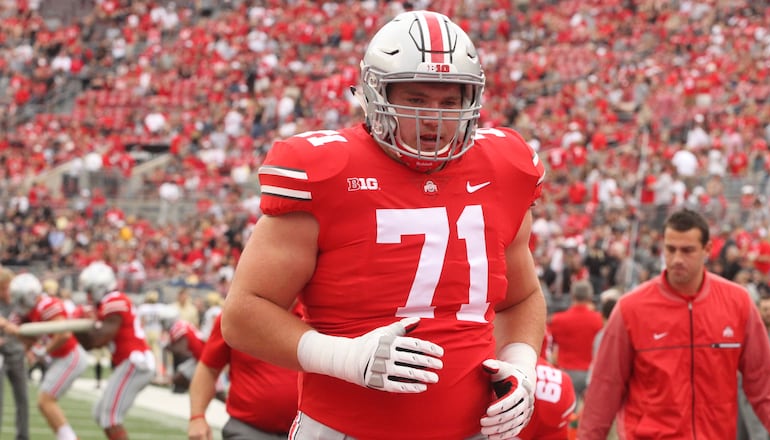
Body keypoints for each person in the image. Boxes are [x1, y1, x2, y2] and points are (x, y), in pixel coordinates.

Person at [221, 10, 547, 440]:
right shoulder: (327, 170)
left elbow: (521, 298)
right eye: (416, 99)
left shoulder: (503, 167)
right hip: (344, 429)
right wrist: (345, 357)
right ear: (376, 93)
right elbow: (243, 315)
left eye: (451, 102)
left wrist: (522, 364)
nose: (435, 118)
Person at [579, 209, 770, 439]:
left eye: (687, 250)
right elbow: (604, 390)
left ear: (707, 250)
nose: (677, 259)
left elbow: (765, 383)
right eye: (670, 249)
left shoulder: (738, 303)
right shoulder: (631, 309)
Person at [0, 273, 89, 440]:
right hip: (58, 358)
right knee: (44, 402)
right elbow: (24, 336)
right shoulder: (29, 310)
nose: (16, 303)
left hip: (70, 356)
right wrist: (19, 335)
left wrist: (43, 350)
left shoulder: (46, 305)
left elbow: (64, 334)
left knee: (45, 400)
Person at [73, 261, 156, 440]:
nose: (87, 296)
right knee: (99, 413)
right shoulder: (109, 302)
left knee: (110, 418)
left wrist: (79, 324)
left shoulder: (114, 300)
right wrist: (78, 327)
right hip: (129, 362)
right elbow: (90, 344)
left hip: (135, 361)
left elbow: (98, 340)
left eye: (89, 290)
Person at [189, 312, 299, 440]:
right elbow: (209, 368)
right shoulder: (236, 314)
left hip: (307, 431)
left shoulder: (314, 313)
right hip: (249, 429)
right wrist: (197, 417)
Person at [738, 294, 770, 440]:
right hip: (749, 398)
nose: (769, 313)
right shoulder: (745, 337)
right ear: (758, 310)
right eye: (765, 309)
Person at [547, 279, 602, 401]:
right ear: (590, 296)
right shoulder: (599, 320)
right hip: (591, 373)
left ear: (572, 295)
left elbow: (549, 345)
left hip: (566, 372)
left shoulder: (558, 320)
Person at [0, 267, 29, 440]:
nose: (7, 292)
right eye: (3, 288)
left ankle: (23, 436)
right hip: (0, 356)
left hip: (17, 354)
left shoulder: (19, 302)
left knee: (23, 399)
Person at [166, 317, 205, 393]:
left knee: (177, 378)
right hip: (200, 356)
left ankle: (195, 387)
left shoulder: (179, 329)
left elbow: (182, 350)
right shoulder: (182, 324)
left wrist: (168, 347)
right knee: (178, 377)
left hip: (203, 359)